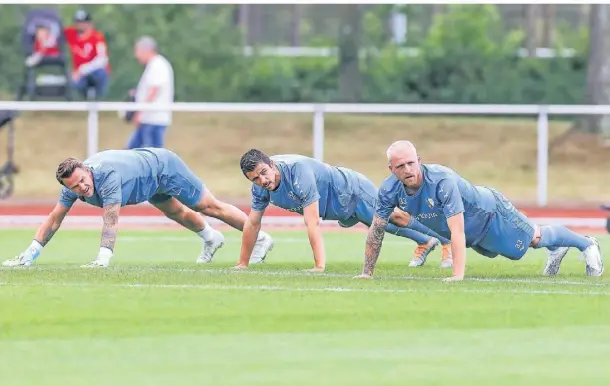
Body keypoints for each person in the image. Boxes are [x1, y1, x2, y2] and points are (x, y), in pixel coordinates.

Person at [356, 140, 604, 281]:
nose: (408, 169)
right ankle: (557, 247)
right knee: (513, 250)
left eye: (411, 163)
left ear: (419, 160)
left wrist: (457, 275)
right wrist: (367, 273)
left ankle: (586, 244)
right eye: (401, 166)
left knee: (534, 238)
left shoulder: (442, 180)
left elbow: (457, 229)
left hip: (491, 212)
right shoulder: (388, 190)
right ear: (391, 169)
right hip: (476, 233)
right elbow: (377, 229)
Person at [2, 148, 274, 268]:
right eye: (75, 187)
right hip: (145, 181)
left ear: (87, 170)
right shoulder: (71, 185)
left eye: (83, 181)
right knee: (175, 212)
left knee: (208, 206)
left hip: (162, 168)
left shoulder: (106, 177)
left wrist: (102, 258)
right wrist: (31, 254)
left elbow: (110, 220)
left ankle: (261, 238)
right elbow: (54, 219)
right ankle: (211, 238)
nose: (82, 188)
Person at [236, 149, 452, 271]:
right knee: (380, 225)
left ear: (272, 164)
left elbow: (312, 222)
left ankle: (446, 240)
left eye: (264, 172)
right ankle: (425, 241)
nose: (262, 180)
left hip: (352, 189)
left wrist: (319, 266)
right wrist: (242, 264)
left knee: (394, 217)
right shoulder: (259, 189)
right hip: (337, 207)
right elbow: (253, 222)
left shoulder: (298, 173)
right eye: (255, 178)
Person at [126, 36, 174, 150]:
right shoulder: (154, 65)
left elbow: (154, 91)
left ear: (146, 50)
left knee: (151, 158)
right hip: (148, 119)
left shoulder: (157, 65)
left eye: (138, 51)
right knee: (133, 152)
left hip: (154, 119)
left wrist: (139, 112)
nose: (137, 55)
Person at [64, 10, 110, 99]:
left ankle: (98, 99)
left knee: (100, 74)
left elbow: (102, 60)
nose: (80, 25)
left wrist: (82, 70)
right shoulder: (71, 34)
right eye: (78, 22)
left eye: (84, 22)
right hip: (79, 75)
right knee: (73, 84)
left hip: (95, 72)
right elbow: (55, 34)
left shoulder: (97, 36)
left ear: (90, 24)